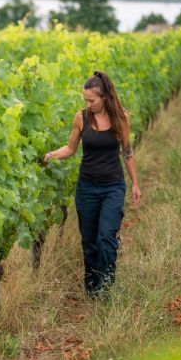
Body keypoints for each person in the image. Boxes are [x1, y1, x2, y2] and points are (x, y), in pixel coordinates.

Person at [43, 70, 141, 297]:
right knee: (89, 241)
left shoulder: (122, 119)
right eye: (85, 99)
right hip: (86, 187)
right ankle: (91, 288)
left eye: (92, 100)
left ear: (104, 97)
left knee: (106, 237)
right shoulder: (81, 118)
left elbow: (127, 151)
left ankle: (106, 285)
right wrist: (51, 155)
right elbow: (70, 148)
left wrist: (135, 183)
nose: (88, 104)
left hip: (113, 186)